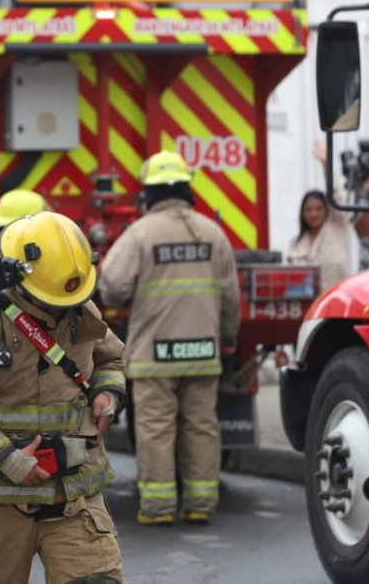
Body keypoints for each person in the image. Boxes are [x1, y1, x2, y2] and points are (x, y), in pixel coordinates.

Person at [0, 211, 126, 584]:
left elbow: (110, 357)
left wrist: (108, 393)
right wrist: (8, 459)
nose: (60, 309)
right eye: (50, 301)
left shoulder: (80, 311)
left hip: (76, 499)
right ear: (16, 278)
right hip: (1, 504)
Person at [98, 150, 239, 526]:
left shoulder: (140, 233)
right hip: (204, 351)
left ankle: (158, 508)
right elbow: (230, 296)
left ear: (150, 192)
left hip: (154, 355)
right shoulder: (212, 232)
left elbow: (111, 286)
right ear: (186, 188)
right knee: (201, 426)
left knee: (156, 428)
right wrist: (227, 339)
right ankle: (199, 504)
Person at [286, 190, 354, 291]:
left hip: (337, 298)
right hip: (307, 302)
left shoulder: (337, 228)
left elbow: (336, 196)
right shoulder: (295, 243)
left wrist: (328, 174)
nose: (313, 214)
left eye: (318, 209)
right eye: (308, 210)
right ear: (302, 213)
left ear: (326, 210)